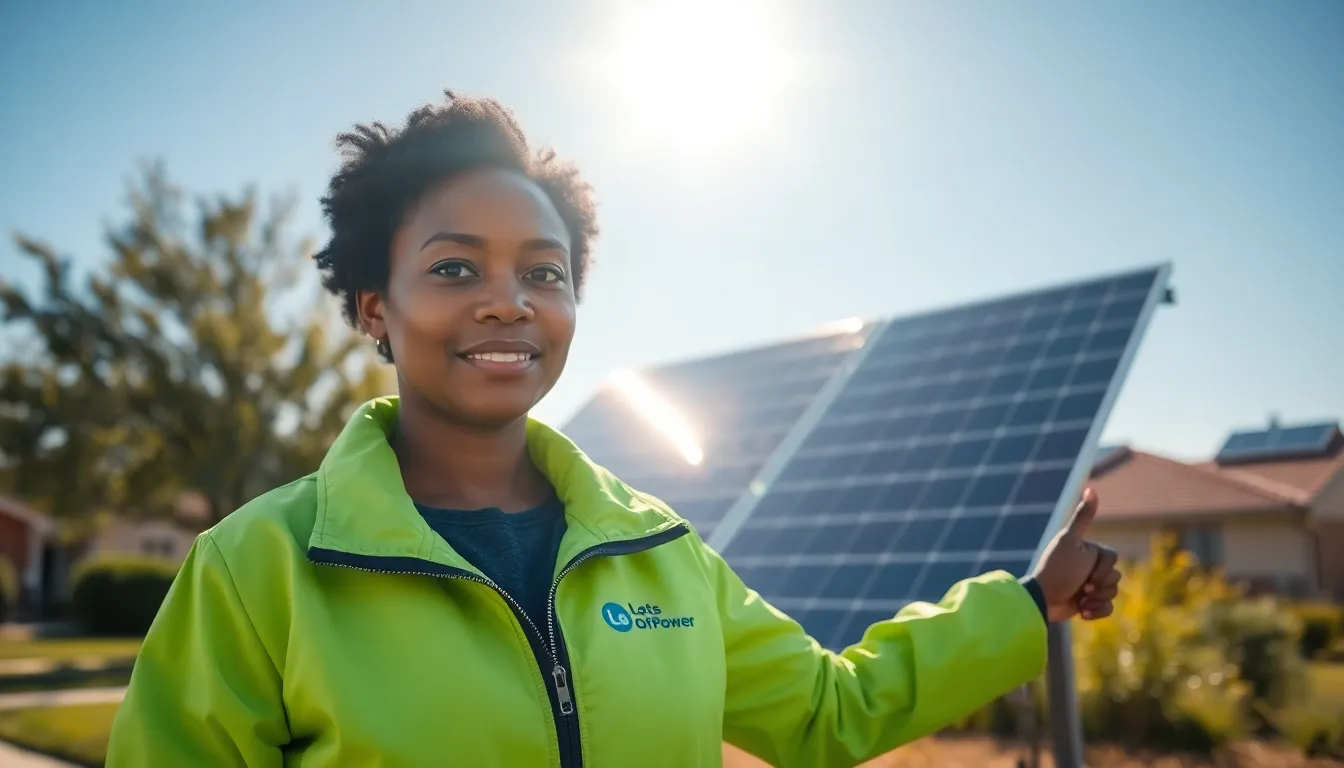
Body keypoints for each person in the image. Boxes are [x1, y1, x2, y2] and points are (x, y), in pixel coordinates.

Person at [106, 91, 1122, 768]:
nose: (509, 301)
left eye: (543, 273)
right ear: (376, 307)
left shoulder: (660, 552)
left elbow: (829, 714)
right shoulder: (257, 571)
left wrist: (1032, 602)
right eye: (455, 267)